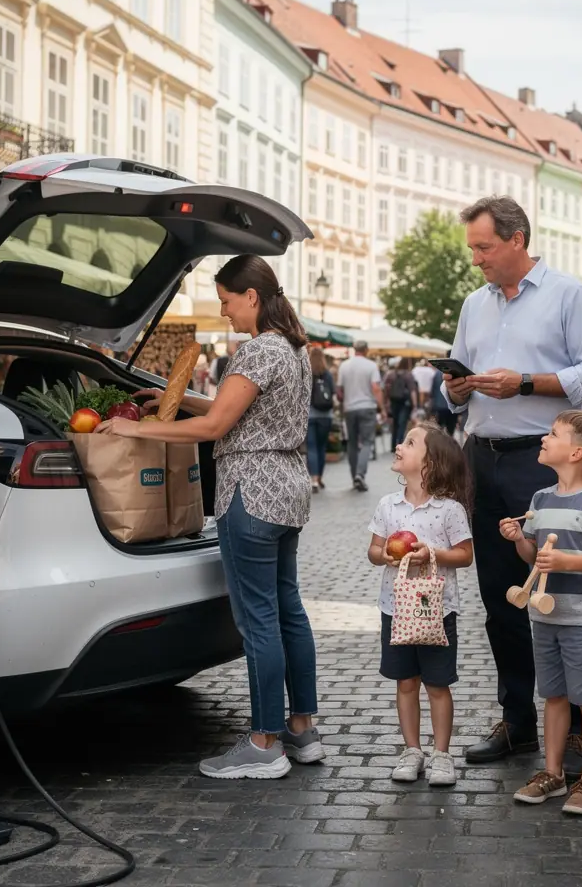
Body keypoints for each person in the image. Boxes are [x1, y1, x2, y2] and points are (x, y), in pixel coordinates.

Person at [96, 255, 321, 780]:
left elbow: (217, 427)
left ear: (251, 296)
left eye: (225, 301)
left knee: (259, 621)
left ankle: (264, 745)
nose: (223, 312)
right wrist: (180, 399)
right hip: (286, 493)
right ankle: (302, 731)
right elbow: (238, 409)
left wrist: (135, 431)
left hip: (251, 494)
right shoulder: (292, 348)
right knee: (289, 612)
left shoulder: (256, 350)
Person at [440, 195, 582, 767]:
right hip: (481, 458)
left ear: (517, 240)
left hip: (544, 462)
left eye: (484, 247)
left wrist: (526, 383)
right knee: (498, 596)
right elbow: (455, 378)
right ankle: (518, 722)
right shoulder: (474, 304)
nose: (476, 260)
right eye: (473, 249)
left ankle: (574, 726)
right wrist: (456, 388)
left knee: (557, 594)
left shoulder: (570, 294)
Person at [499, 411, 582, 816]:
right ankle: (552, 773)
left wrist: (567, 560)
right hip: (545, 617)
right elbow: (535, 560)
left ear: (576, 451)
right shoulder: (540, 500)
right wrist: (520, 540)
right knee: (552, 695)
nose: (543, 439)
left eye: (552, 434)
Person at [367, 422, 473, 787]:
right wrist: (387, 557)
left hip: (436, 612)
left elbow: (464, 555)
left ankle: (442, 754)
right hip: (396, 610)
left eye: (409, 443)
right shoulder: (387, 505)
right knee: (405, 682)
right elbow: (374, 551)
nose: (399, 445)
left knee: (438, 684)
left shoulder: (449, 510)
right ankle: (412, 750)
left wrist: (432, 553)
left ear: (429, 464)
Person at [337, 341, 386, 492]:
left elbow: (339, 391)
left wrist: (345, 401)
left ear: (354, 349)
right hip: (367, 407)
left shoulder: (344, 366)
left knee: (352, 443)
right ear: (366, 350)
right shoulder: (371, 366)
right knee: (367, 442)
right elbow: (376, 388)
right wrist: (382, 408)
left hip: (350, 409)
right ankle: (360, 474)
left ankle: (354, 478)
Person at [307, 346, 336, 492]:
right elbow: (333, 393)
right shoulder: (328, 374)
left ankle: (314, 480)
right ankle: (319, 478)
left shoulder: (307, 373)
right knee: (321, 447)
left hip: (310, 415)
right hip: (325, 415)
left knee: (311, 448)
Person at [385, 357, 419, 449]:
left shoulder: (391, 374)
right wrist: (415, 405)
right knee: (402, 424)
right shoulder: (408, 375)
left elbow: (386, 389)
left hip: (393, 401)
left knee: (395, 423)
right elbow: (412, 390)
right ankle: (399, 444)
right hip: (405, 403)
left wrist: (387, 402)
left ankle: (392, 445)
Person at [429, 368, 458, 438]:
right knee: (450, 430)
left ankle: (440, 446)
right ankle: (449, 445)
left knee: (439, 429)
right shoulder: (455, 371)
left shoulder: (437, 373)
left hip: (439, 406)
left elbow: (433, 391)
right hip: (452, 407)